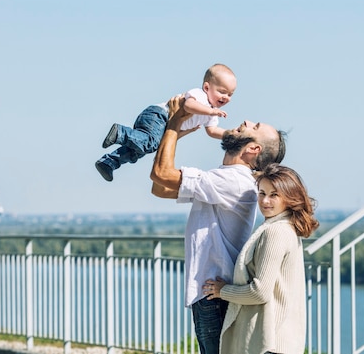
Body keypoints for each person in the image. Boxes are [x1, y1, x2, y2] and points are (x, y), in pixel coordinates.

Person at [149, 96, 287, 354]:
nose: (245, 121)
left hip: (214, 297)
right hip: (211, 295)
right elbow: (159, 187)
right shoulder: (223, 179)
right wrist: (175, 131)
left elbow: (160, 174)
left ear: (253, 149)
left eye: (254, 126)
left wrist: (176, 121)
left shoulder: (234, 182)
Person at [202, 163, 319, 354]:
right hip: (280, 342)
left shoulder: (275, 232)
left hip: (270, 343)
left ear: (289, 198)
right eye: (262, 193)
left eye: (274, 195)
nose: (265, 201)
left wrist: (223, 291)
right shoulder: (286, 227)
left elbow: (259, 292)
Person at [95, 63, 237, 182]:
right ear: (207, 87)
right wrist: (211, 111)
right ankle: (121, 133)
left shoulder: (210, 111)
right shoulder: (201, 96)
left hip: (164, 127)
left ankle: (109, 163)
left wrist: (232, 135)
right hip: (158, 116)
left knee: (138, 150)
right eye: (222, 92)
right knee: (149, 144)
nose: (226, 97)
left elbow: (212, 131)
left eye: (230, 94)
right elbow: (188, 106)